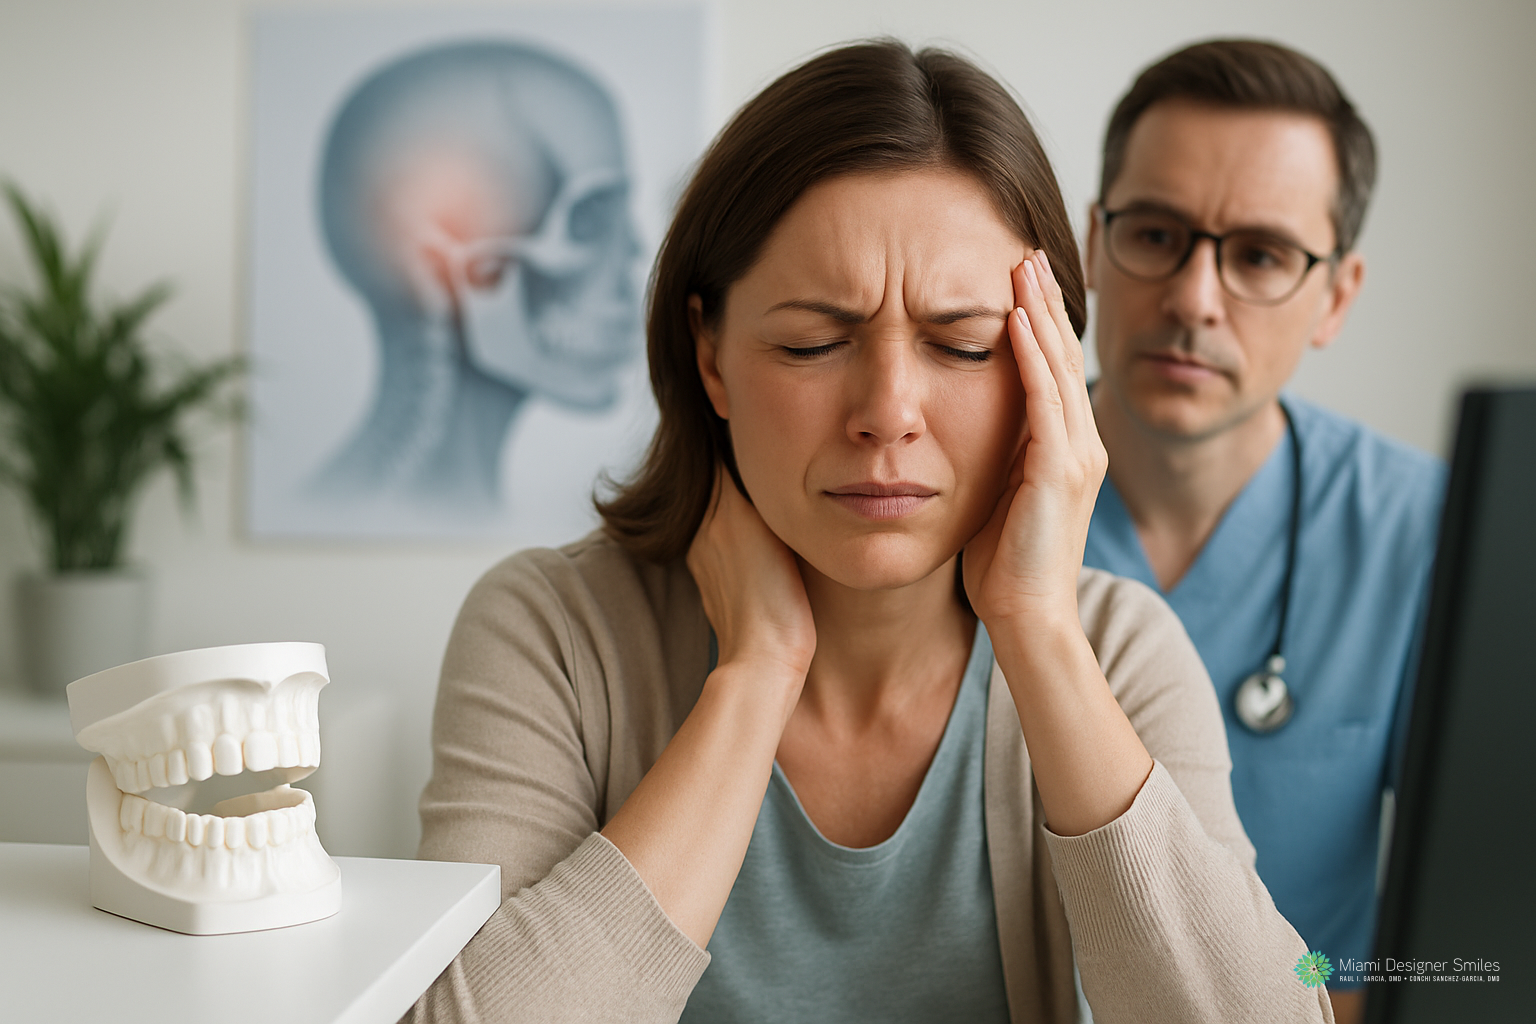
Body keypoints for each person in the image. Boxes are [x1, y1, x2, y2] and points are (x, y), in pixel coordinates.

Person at [406, 41, 1331, 1024]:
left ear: (1044, 367)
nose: (889, 412)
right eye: (814, 341)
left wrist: (1040, 634)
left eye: (964, 345)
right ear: (710, 355)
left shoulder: (1119, 650)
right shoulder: (553, 630)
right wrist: (756, 673)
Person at [1082, 39, 1445, 1024]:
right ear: (1091, 244)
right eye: (1155, 235)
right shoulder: (951, 502)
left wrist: (1305, 1008)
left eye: (1259, 256)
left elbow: (1473, 936)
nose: (1195, 298)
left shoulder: (1422, 531)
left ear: (1335, 296)